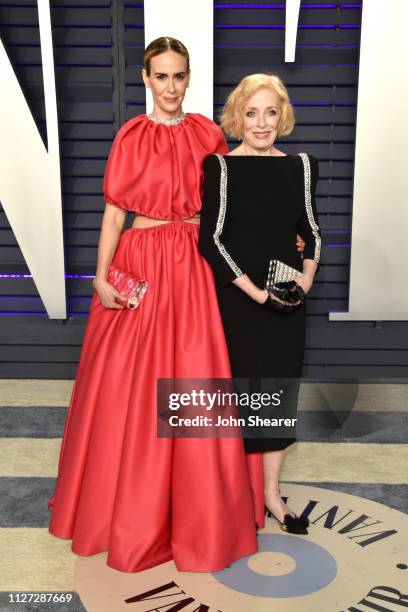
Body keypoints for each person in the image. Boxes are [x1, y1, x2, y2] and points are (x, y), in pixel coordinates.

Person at [48, 37, 266, 573]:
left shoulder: (208, 135)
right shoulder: (130, 137)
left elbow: (232, 209)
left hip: (193, 267)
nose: (171, 87)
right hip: (141, 263)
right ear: (146, 79)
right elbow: (113, 216)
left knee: (196, 381)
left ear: (189, 78)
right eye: (161, 77)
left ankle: (200, 516)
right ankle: (129, 515)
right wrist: (100, 277)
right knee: (130, 388)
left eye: (179, 76)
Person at [198, 74, 320, 534]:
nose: (262, 123)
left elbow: (311, 231)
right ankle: (234, 500)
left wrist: (303, 282)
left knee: (278, 399)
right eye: (252, 113)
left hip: (288, 302)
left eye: (270, 112)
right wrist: (254, 292)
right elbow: (211, 240)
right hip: (239, 302)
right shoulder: (221, 168)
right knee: (236, 400)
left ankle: (271, 497)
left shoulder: (301, 166)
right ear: (237, 117)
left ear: (282, 116)